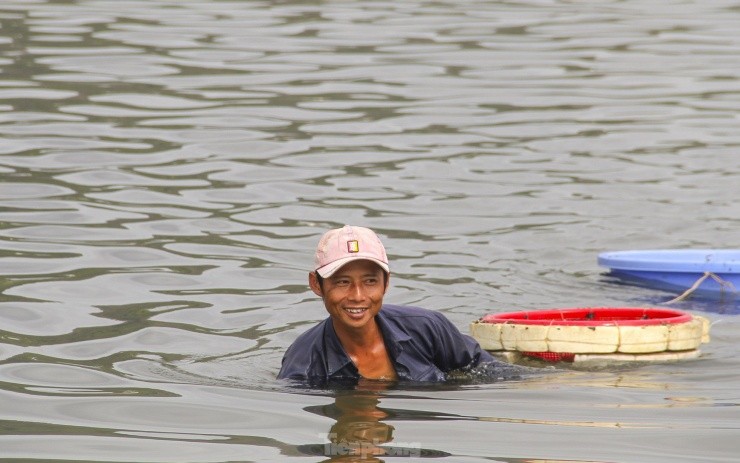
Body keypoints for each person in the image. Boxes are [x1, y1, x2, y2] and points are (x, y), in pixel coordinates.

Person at [278, 225, 515, 384]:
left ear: (386, 282)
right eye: (342, 282)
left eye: (370, 281)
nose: (358, 295)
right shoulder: (304, 366)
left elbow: (493, 372)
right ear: (316, 284)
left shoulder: (427, 328)